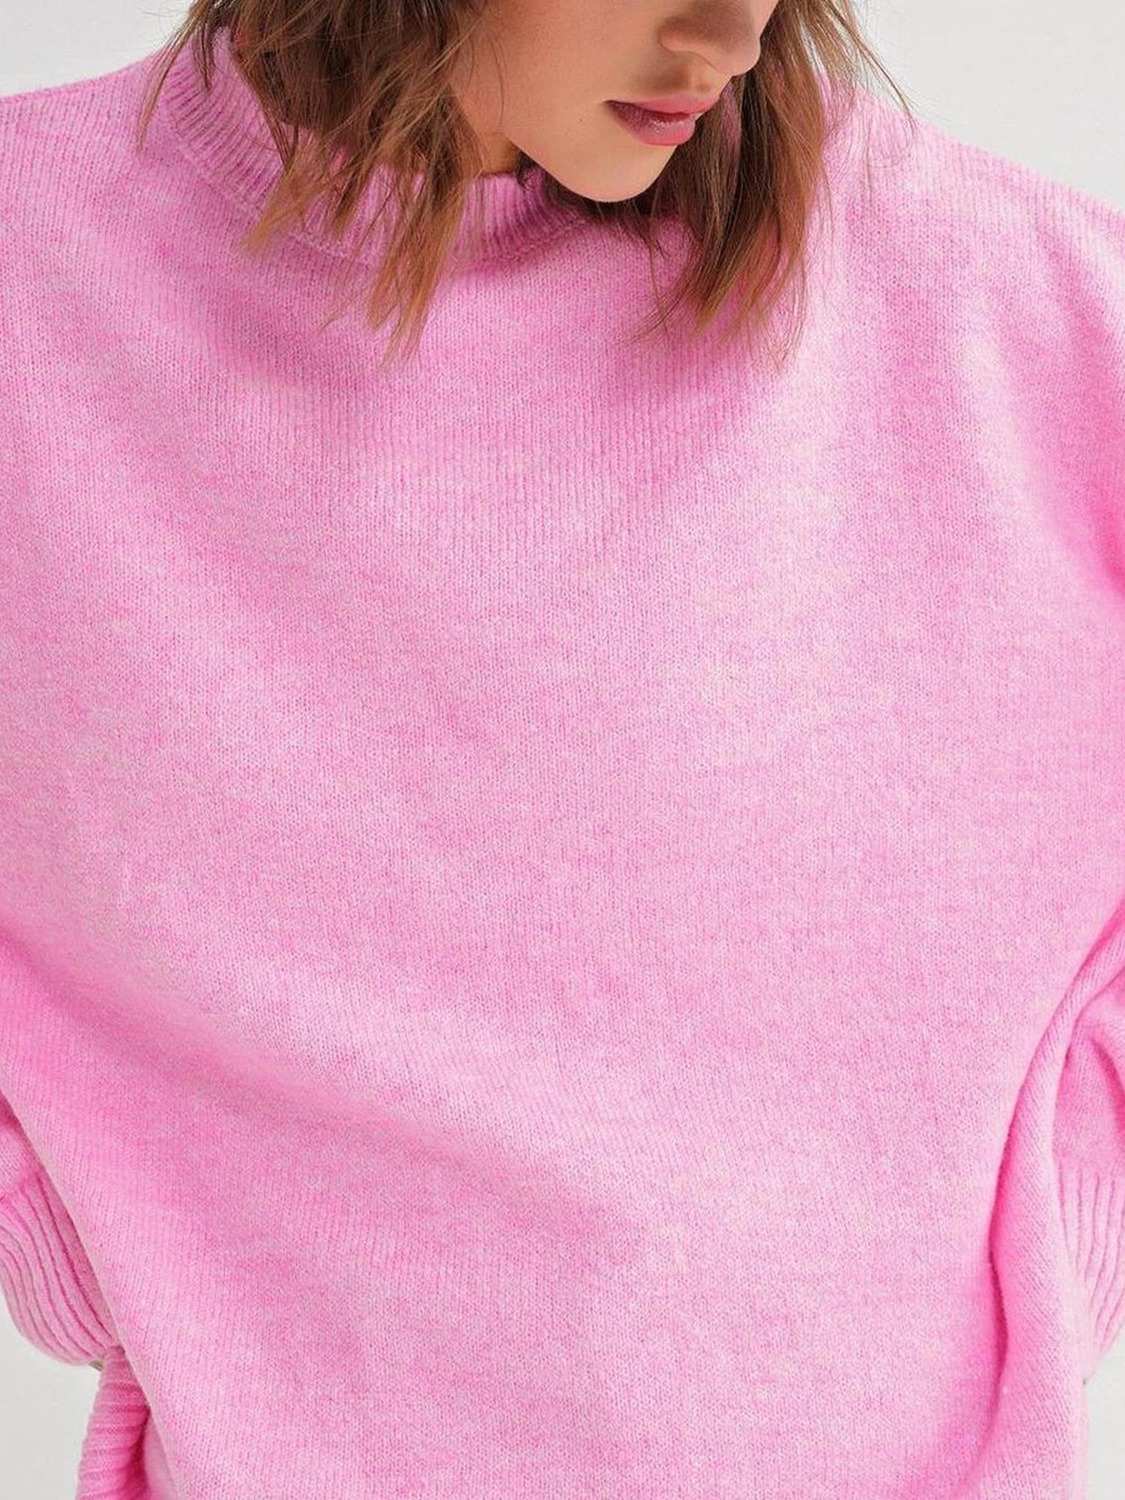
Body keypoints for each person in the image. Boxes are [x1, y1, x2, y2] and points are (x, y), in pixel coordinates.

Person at [3, 2, 1125, 1496]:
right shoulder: (36, 271)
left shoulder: (1001, 298)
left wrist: (1063, 1200)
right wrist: (83, 1229)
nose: (736, 29)